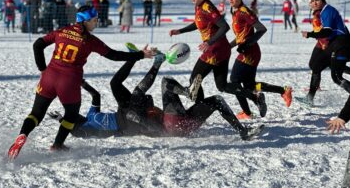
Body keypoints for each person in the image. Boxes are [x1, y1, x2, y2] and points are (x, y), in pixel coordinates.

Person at [7, 6, 154, 161]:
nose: (97, 22)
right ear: (85, 21)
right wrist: (139, 55)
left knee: (36, 114)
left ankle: (23, 135)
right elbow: (114, 55)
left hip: (49, 77)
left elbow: (37, 44)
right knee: (71, 114)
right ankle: (57, 145)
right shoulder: (90, 40)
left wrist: (42, 69)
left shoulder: (62, 31)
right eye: (94, 20)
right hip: (69, 82)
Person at [48, 43, 264, 140]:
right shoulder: (91, 126)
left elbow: (98, 95)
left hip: (180, 124)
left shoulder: (98, 113)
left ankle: (243, 132)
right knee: (163, 84)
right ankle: (185, 91)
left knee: (216, 99)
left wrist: (82, 85)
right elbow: (74, 130)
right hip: (166, 126)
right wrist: (60, 119)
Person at [169, 0, 267, 117]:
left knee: (194, 80)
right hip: (222, 50)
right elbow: (198, 23)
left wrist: (209, 42)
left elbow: (224, 27)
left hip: (214, 50)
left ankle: (199, 113)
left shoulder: (207, 8)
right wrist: (180, 31)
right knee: (222, 86)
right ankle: (255, 98)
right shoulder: (199, 6)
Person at [228, 0, 293, 119]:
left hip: (249, 52)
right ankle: (283, 91)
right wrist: (228, 45)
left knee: (234, 82)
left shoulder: (244, 11)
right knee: (250, 85)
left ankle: (247, 112)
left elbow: (261, 29)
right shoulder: (235, 12)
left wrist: (246, 44)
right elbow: (241, 36)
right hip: (248, 51)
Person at [299, 0, 350, 106]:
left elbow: (327, 31)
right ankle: (309, 99)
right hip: (334, 43)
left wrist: (310, 34)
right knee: (316, 66)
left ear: (323, 0)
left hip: (339, 44)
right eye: (312, 1)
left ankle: (309, 98)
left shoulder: (327, 11)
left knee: (336, 76)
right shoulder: (322, 11)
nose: (314, 2)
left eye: (317, 0)